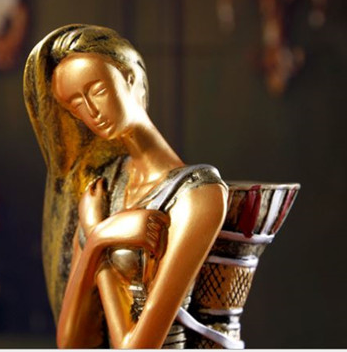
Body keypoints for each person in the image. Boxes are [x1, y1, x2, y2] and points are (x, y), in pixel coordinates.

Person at [24, 24, 228, 348]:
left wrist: (97, 236)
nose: (91, 111)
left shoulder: (198, 195)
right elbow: (72, 343)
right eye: (76, 104)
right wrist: (99, 236)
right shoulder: (101, 189)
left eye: (97, 90)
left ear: (129, 78)